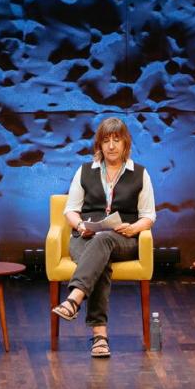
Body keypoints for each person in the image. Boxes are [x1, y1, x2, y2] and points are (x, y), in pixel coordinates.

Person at [50, 117, 157, 358]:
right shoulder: (85, 171)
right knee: (100, 258)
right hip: (86, 237)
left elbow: (149, 216)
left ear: (125, 144)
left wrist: (133, 228)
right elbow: (70, 209)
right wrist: (80, 225)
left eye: (116, 140)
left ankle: (74, 299)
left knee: (104, 241)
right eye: (106, 141)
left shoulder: (140, 173)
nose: (111, 146)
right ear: (99, 144)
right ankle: (100, 336)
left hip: (123, 238)